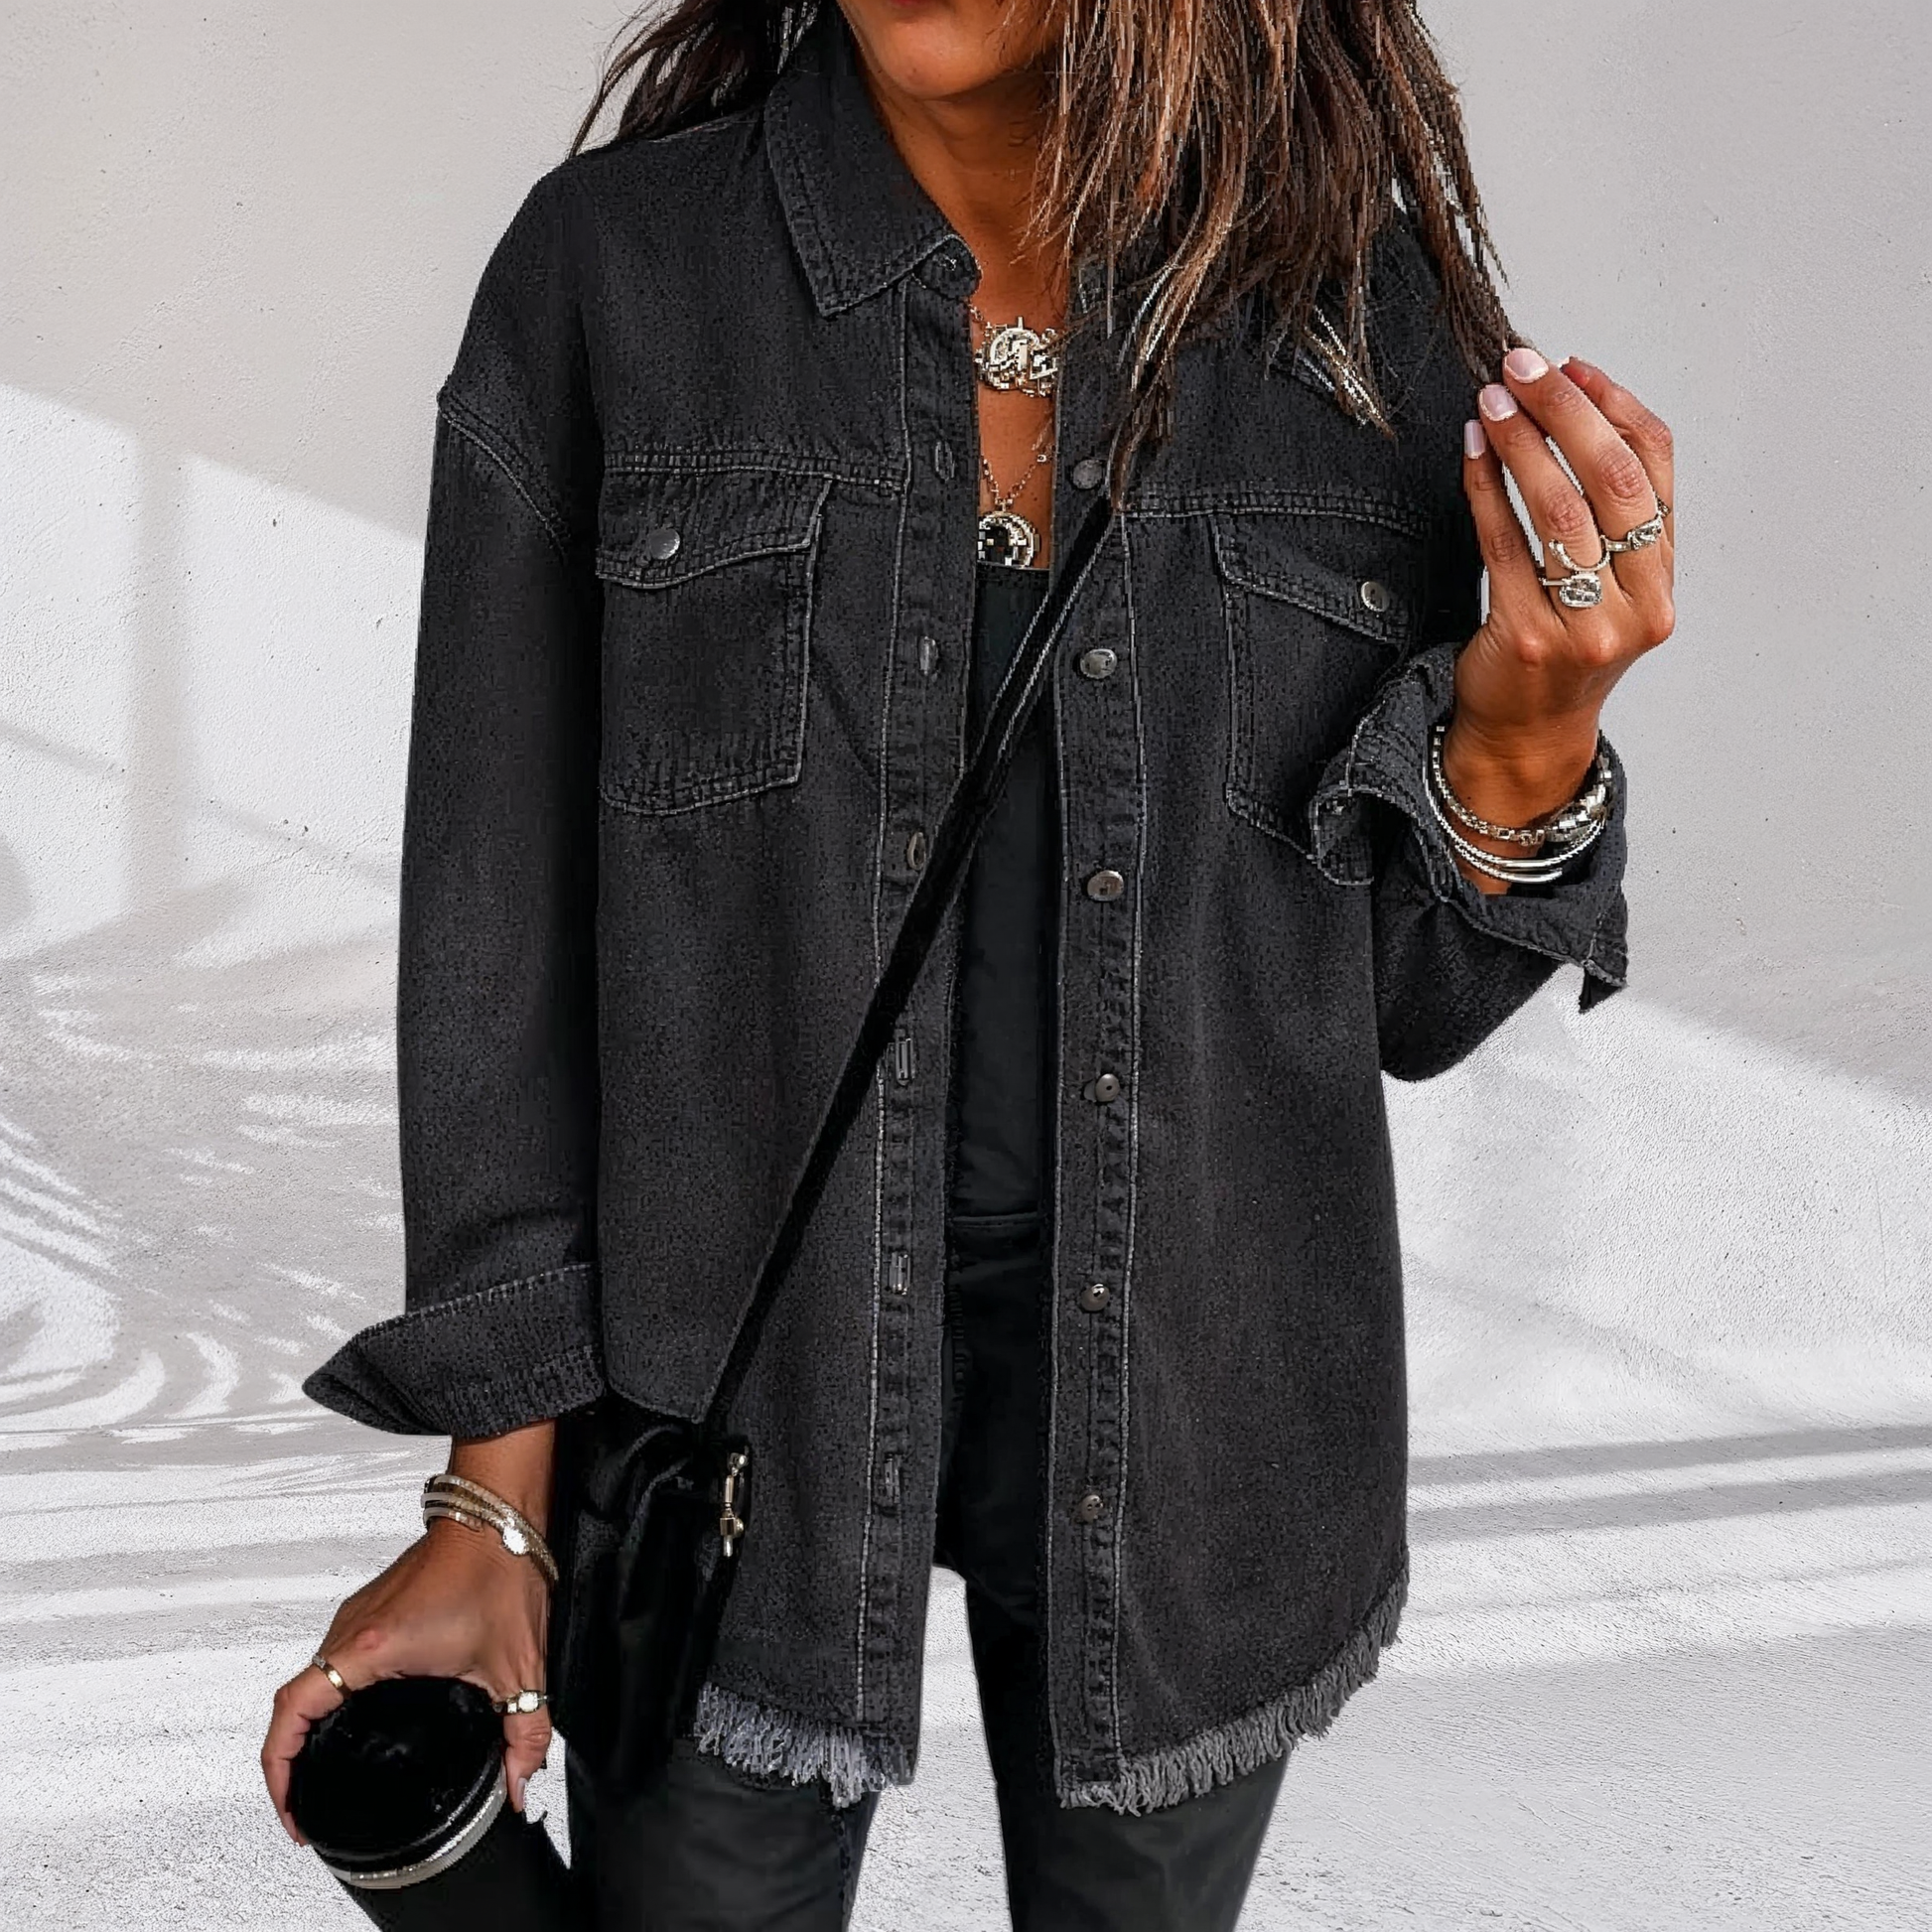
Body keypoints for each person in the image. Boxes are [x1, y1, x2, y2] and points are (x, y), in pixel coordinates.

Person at [261, 0, 1675, 1924]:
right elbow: (499, 949)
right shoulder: (618, 277)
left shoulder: (1358, 318)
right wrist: (488, 1502)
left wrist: (1534, 726)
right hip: (728, 1400)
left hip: (1201, 1419)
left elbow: (1409, 1012)